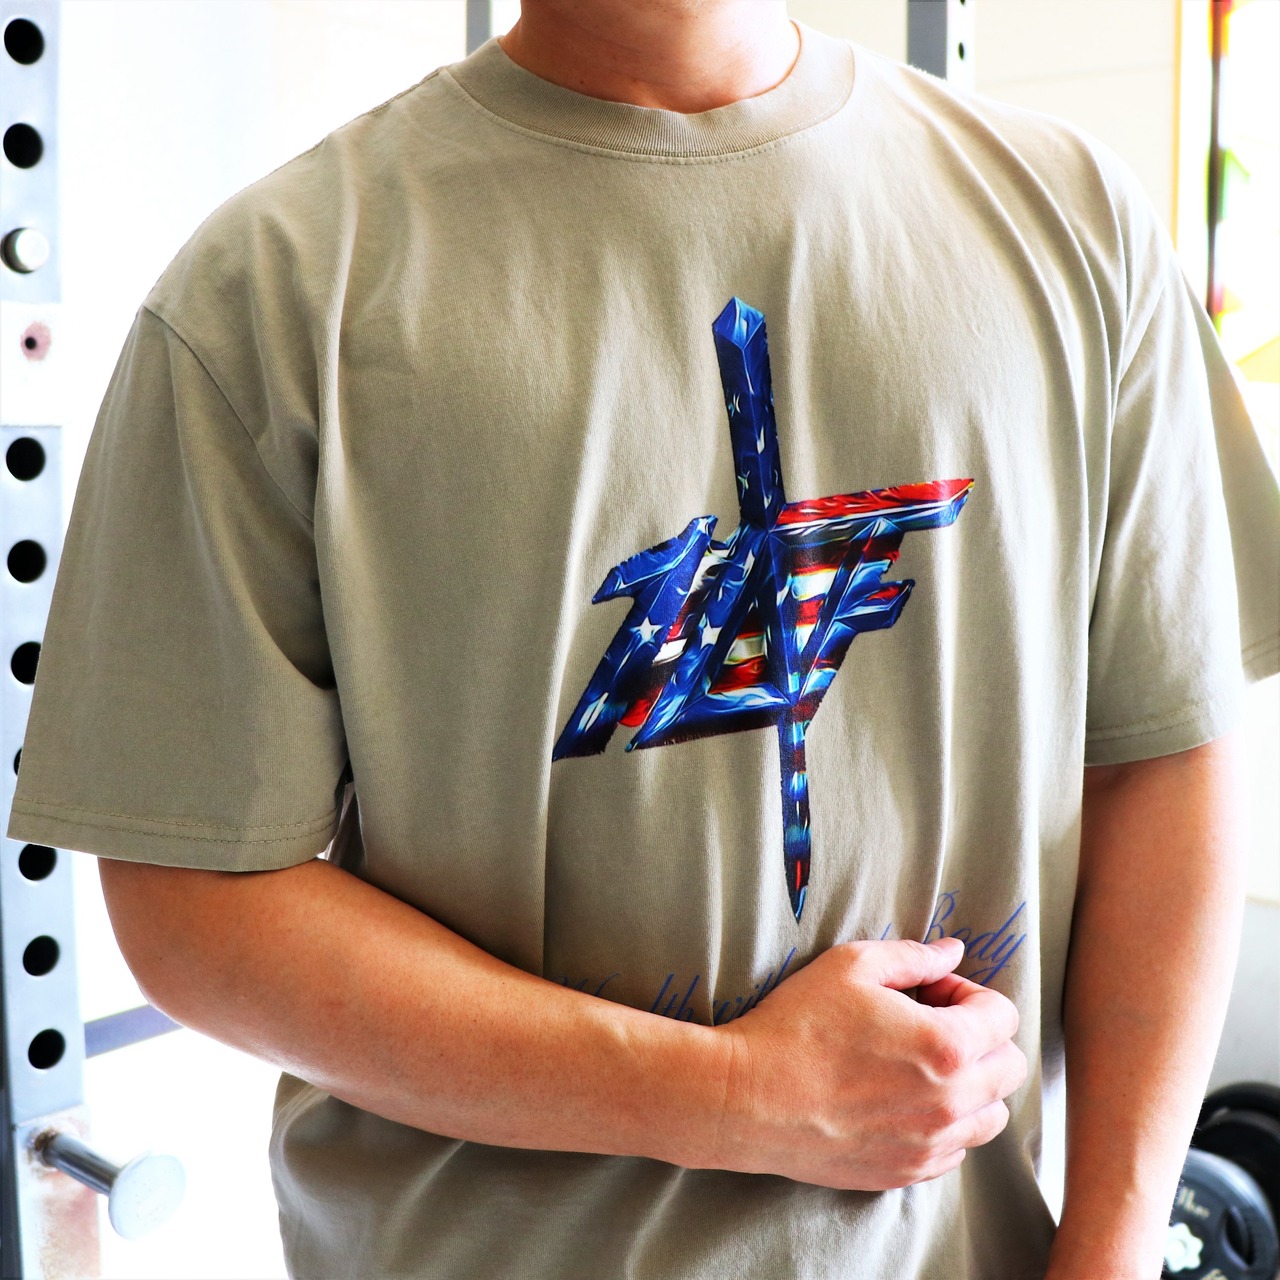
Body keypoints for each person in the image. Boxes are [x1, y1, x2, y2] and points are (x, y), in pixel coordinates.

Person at [10, 1, 1279, 1276]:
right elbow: (197, 898)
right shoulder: (274, 286)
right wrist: (737, 1093)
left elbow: (1162, 752)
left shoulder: (1076, 225)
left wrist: (1111, 1247)